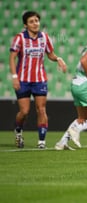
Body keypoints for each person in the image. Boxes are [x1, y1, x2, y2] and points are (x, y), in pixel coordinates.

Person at [9, 10, 67, 149]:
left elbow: (50, 54)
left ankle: (41, 142)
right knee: (24, 112)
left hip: (40, 79)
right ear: (25, 25)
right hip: (23, 79)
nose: (35, 24)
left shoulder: (45, 38)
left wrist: (58, 59)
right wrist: (14, 77)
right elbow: (12, 58)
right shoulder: (20, 38)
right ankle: (18, 131)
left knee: (41, 109)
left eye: (36, 20)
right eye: (31, 21)